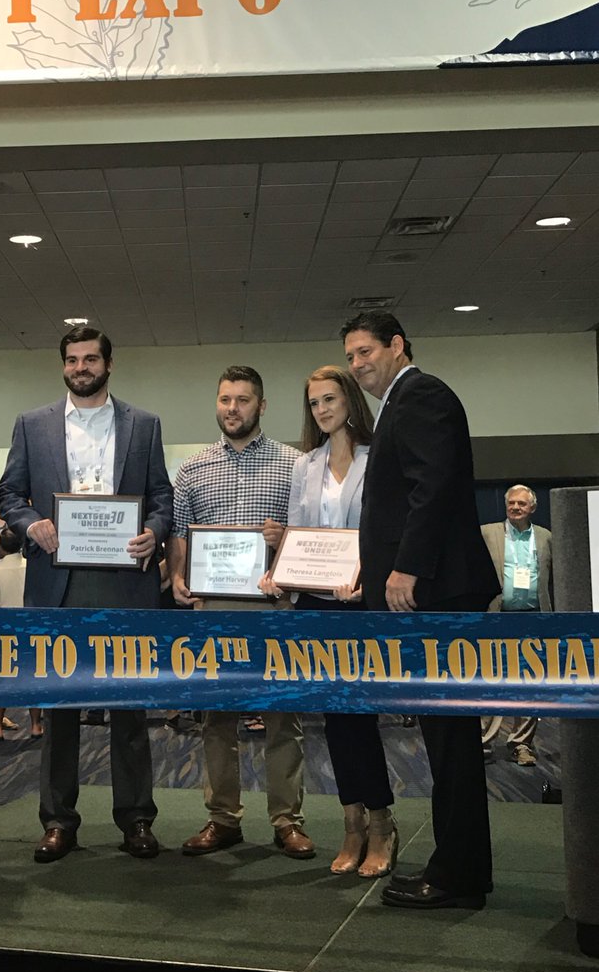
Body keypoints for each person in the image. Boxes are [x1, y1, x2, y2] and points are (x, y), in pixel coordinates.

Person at [342, 312, 499, 911]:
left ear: (397, 345)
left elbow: (433, 488)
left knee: (451, 741)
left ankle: (456, 877)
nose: (358, 365)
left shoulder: (423, 393)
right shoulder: (399, 405)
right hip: (425, 586)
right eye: (351, 356)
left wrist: (405, 568)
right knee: (445, 739)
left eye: (365, 352)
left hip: (436, 589)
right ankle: (461, 871)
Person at [0, 327, 173, 863]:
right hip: (59, 582)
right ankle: (57, 821)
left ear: (108, 364)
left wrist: (155, 530)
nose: (81, 367)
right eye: (72, 359)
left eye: (90, 358)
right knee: (59, 709)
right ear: (64, 366)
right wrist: (31, 525)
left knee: (129, 707)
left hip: (126, 583)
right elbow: (9, 493)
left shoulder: (143, 424)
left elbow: (163, 495)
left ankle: (137, 818)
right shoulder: (33, 425)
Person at [168, 366, 312, 860]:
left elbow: (313, 541)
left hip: (276, 605)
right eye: (226, 399)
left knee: (282, 719)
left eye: (244, 400)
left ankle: (287, 821)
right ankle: (222, 819)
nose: (233, 408)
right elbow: (181, 539)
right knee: (216, 720)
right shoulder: (192, 469)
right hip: (215, 608)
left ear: (262, 406)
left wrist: (284, 538)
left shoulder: (296, 465)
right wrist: (180, 577)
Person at [260, 366, 397, 877]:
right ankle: (352, 823)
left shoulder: (377, 458)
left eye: (330, 399)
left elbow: (384, 532)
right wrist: (280, 571)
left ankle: (382, 823)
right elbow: (300, 532)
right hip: (317, 604)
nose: (321, 409)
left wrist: (368, 579)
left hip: (361, 601)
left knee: (361, 714)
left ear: (350, 402)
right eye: (314, 402)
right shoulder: (305, 465)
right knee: (333, 719)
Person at [480, 484, 552, 766]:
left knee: (530, 683)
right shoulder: (488, 533)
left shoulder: (545, 537)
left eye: (521, 504)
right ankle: (485, 743)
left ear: (532, 508)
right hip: (497, 616)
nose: (515, 507)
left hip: (533, 618)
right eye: (511, 503)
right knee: (491, 680)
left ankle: (521, 744)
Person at [0, 523, 42, 742]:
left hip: (1, 634)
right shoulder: (34, 568)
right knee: (34, 678)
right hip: (31, 630)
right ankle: (36, 726)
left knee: (0, 681)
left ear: (0, 546)